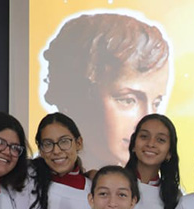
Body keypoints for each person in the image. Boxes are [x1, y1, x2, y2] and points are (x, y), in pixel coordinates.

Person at [42, 12, 171, 170]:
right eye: (128, 100)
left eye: (156, 103)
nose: (147, 122)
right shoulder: (35, 186)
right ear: (81, 98)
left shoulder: (155, 189)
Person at [124, 113, 182, 209]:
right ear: (133, 145)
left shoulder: (175, 198)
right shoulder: (112, 185)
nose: (151, 144)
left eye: (160, 140)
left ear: (169, 153)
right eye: (144, 136)